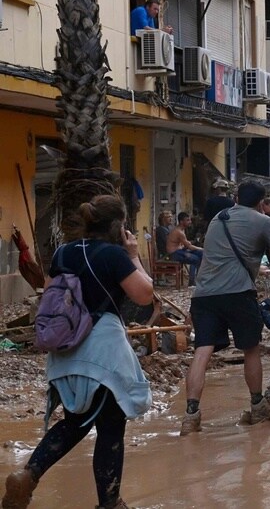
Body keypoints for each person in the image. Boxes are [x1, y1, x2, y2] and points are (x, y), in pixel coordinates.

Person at [2, 195, 154, 509]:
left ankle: (28, 474)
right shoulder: (115, 255)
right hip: (102, 354)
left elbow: (52, 291)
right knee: (111, 427)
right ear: (118, 226)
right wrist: (134, 256)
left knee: (75, 421)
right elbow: (144, 295)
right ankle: (109, 503)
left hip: (65, 350)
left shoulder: (63, 253)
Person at [180, 179, 270, 436]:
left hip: (203, 296)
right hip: (238, 293)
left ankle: (191, 415)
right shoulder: (262, 220)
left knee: (202, 351)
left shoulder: (218, 219)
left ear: (235, 197)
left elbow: (221, 254)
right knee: (251, 349)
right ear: (260, 202)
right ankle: (257, 405)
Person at [166, 212, 204, 286]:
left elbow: (186, 244)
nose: (190, 222)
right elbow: (189, 247)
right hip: (174, 254)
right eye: (187, 220)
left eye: (189, 220)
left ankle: (199, 278)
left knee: (201, 254)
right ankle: (192, 281)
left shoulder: (182, 230)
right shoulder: (179, 232)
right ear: (181, 222)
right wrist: (202, 249)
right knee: (195, 259)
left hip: (180, 250)